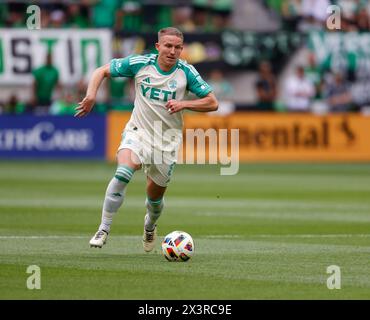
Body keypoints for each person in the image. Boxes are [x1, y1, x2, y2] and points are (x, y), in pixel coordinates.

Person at [75, 27, 218, 251]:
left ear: (182, 49)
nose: (172, 51)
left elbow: (212, 102)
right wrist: (91, 95)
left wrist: (185, 103)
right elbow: (101, 71)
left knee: (154, 199)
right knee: (123, 172)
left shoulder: (186, 72)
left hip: (166, 140)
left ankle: (150, 226)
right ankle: (103, 228)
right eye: (168, 46)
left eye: (177, 47)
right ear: (158, 46)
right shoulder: (141, 63)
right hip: (137, 131)